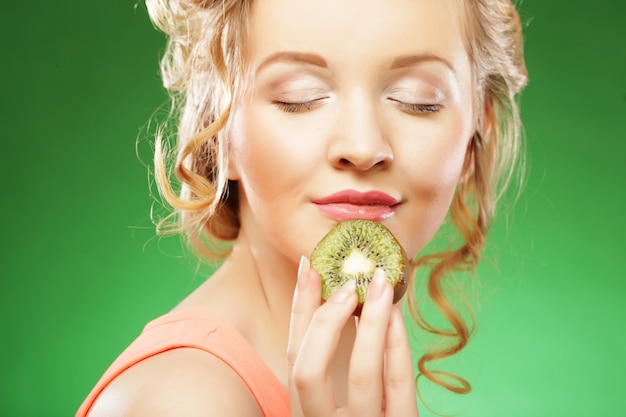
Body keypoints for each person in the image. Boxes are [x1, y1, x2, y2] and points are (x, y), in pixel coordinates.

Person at [77, 0, 527, 415]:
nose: (363, 146)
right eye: (300, 96)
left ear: (474, 134)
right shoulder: (184, 401)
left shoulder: (360, 374)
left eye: (417, 99)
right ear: (219, 128)